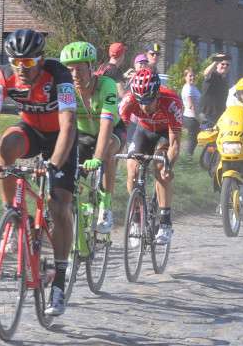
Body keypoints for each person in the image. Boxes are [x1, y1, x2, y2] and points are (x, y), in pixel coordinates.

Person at [0, 29, 78, 317]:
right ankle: (12, 215)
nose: (21, 69)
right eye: (16, 62)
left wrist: (55, 163)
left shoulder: (59, 75)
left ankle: (59, 280)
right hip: (31, 130)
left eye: (29, 64)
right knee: (7, 146)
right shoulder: (2, 77)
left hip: (61, 138)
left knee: (60, 206)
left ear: (41, 60)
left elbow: (69, 125)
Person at [117, 68, 182, 245]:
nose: (144, 106)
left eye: (148, 100)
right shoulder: (129, 100)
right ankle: (137, 217)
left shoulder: (171, 102)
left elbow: (175, 143)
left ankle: (165, 222)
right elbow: (119, 132)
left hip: (164, 133)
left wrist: (169, 166)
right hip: (143, 131)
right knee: (132, 168)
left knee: (161, 169)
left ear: (157, 95)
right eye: (140, 101)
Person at [62, 41, 121, 233]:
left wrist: (97, 157)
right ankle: (78, 210)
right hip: (84, 134)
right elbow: (62, 125)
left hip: (113, 131)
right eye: (70, 70)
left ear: (91, 67)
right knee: (72, 169)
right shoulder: (67, 90)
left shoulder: (107, 85)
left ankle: (106, 207)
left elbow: (106, 124)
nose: (74, 75)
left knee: (108, 151)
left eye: (79, 69)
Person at [198, 53, 231, 127]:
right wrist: (216, 60)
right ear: (217, 65)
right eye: (222, 64)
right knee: (207, 137)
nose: (225, 66)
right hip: (207, 115)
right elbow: (206, 73)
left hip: (219, 115)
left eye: (227, 65)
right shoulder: (212, 75)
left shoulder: (224, 80)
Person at [180, 68, 201, 156]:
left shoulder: (192, 87)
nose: (192, 77)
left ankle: (189, 157)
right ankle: (188, 159)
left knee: (194, 139)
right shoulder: (188, 89)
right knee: (192, 140)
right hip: (191, 117)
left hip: (193, 117)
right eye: (190, 76)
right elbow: (191, 105)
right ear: (185, 77)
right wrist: (199, 118)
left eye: (193, 75)